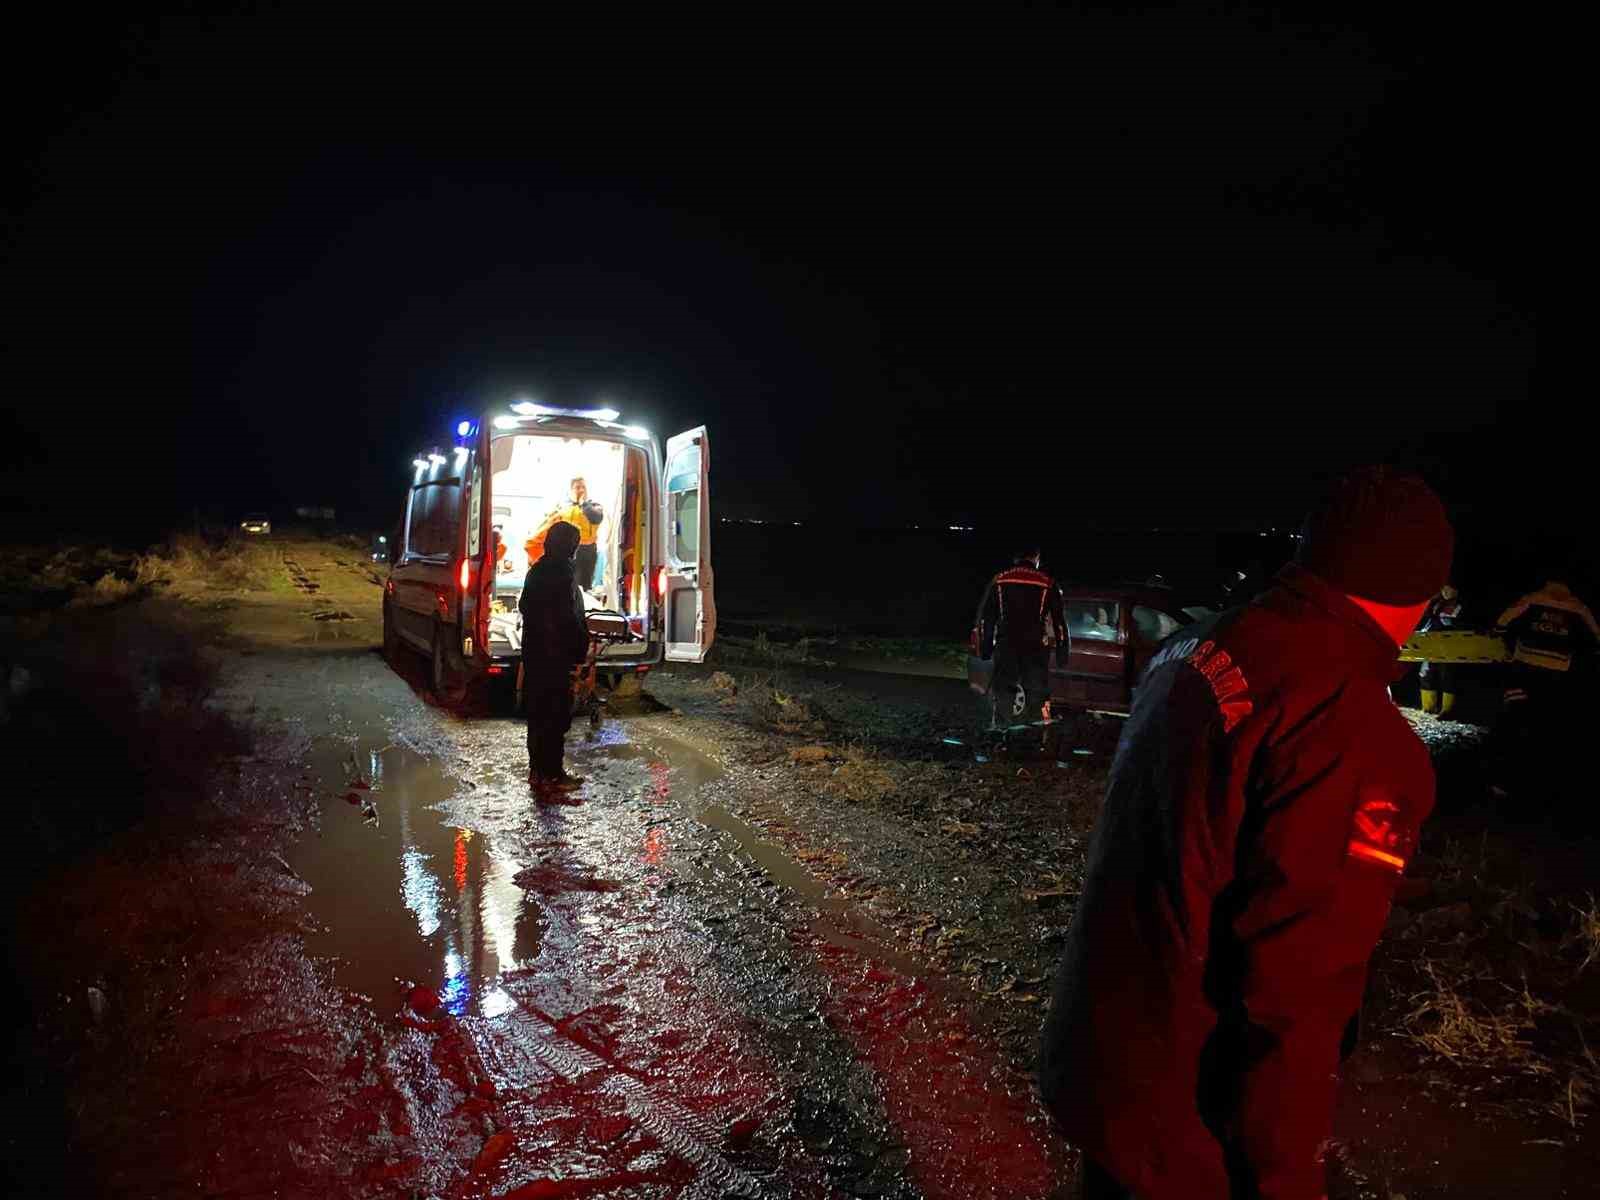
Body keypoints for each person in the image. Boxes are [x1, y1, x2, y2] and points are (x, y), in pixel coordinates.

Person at [1038, 466, 1453, 1200]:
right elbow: (1295, 997)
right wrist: (1286, 1179)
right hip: (1187, 1132)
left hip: (1102, 1072)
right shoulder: (1355, 733)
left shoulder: (1194, 648)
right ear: (1421, 593)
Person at [519, 520, 590, 792]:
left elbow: (526, 607)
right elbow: (567, 618)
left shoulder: (536, 570)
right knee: (555, 716)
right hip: (555, 657)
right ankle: (553, 775)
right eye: (575, 542)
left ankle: (537, 771)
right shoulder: (563, 573)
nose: (576, 548)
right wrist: (578, 648)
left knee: (537, 715)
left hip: (536, 655)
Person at [976, 547, 1069, 735]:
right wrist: (1062, 652)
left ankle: (1001, 734)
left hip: (1006, 645)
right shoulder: (1048, 583)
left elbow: (987, 618)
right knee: (1036, 690)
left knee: (1004, 689)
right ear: (1036, 557)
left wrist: (985, 648)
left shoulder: (1000, 580)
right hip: (1035, 648)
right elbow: (1059, 622)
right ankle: (1036, 736)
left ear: (1016, 558)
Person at [530, 478, 606, 590]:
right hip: (567, 550)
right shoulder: (564, 507)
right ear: (571, 490)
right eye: (577, 487)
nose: (581, 490)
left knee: (584, 585)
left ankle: (582, 602)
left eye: (583, 487)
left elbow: (596, 518)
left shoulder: (594, 506)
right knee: (567, 581)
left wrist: (583, 503)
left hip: (587, 550)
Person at [1417, 583, 1464, 717]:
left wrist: (1451, 624)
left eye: (1449, 588)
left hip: (1449, 647)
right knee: (1425, 674)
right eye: (1443, 588)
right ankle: (1428, 708)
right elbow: (1427, 619)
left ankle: (1447, 710)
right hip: (1431, 645)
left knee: (1447, 676)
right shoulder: (1436, 604)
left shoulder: (1460, 605)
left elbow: (1461, 624)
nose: (1445, 591)